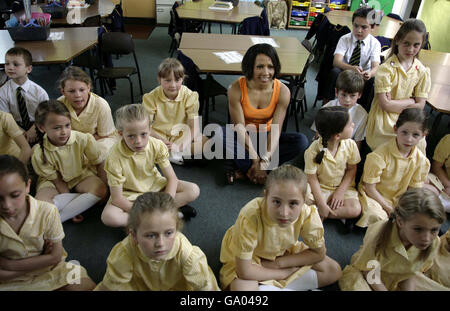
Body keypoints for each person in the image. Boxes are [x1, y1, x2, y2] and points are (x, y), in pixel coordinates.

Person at [219, 165, 342, 291]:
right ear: (266, 196)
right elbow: (244, 271)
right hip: (251, 258)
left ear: (304, 200)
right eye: (277, 202)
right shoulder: (250, 216)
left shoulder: (307, 214)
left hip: (281, 254)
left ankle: (268, 286)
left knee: (333, 270)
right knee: (242, 290)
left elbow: (319, 253)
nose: (284, 213)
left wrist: (278, 264)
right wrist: (284, 273)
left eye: (293, 203)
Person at [0, 154, 96, 290]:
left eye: (15, 195)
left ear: (27, 185)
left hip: (50, 270)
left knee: (84, 285)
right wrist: (41, 261)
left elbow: (55, 257)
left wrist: (8, 265)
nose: (7, 205)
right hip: (11, 280)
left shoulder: (48, 211)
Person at [95, 192, 219, 291]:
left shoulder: (186, 253)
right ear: (134, 236)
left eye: (168, 233)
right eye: (150, 235)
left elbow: (205, 288)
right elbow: (108, 287)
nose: (160, 243)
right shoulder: (125, 253)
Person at [101, 104, 199, 228]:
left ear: (150, 129)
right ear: (120, 134)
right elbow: (117, 198)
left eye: (143, 134)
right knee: (109, 217)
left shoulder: (157, 145)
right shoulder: (114, 157)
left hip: (155, 187)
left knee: (193, 190)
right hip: (129, 194)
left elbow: (172, 178)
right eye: (131, 136)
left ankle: (145, 220)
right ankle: (169, 214)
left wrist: (166, 201)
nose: (138, 141)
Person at [224, 43, 309, 185]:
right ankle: (261, 172)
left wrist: (265, 159)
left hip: (267, 137)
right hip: (244, 136)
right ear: (250, 67)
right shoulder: (235, 88)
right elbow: (239, 128)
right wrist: (256, 159)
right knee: (221, 134)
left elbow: (276, 130)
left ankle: (245, 171)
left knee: (301, 141)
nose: (266, 72)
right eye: (259, 67)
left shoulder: (283, 91)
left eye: (270, 67)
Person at [339, 188, 446, 291]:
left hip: (397, 280)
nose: (426, 238)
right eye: (418, 229)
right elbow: (368, 272)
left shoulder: (434, 242)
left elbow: (410, 275)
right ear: (400, 221)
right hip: (368, 277)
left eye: (434, 230)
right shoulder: (378, 233)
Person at [32, 100, 108, 223]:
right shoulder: (39, 152)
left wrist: (104, 189)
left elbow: (99, 162)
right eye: (57, 128)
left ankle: (57, 217)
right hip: (53, 182)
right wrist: (73, 210)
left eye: (67, 125)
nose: (64, 132)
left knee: (100, 190)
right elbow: (57, 180)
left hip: (80, 174)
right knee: (41, 204)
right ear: (42, 128)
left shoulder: (83, 138)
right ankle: (72, 210)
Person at [357, 108, 430, 228]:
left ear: (423, 135)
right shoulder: (379, 156)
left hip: (400, 200)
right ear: (396, 129)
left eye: (415, 134)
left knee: (423, 216)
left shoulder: (422, 161)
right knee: (376, 216)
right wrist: (388, 208)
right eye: (404, 132)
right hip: (375, 197)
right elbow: (370, 188)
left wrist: (402, 207)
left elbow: (413, 191)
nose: (409, 139)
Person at [365, 19, 430, 152]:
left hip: (408, 118)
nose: (411, 49)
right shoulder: (386, 69)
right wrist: (412, 101)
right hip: (384, 118)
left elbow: (420, 106)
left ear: (421, 44)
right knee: (392, 142)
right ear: (398, 40)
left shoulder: (422, 71)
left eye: (416, 45)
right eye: (406, 43)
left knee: (420, 143)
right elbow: (385, 105)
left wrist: (394, 102)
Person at [57, 66, 118, 184]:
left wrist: (83, 142)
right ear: (63, 92)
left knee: (101, 151)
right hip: (72, 142)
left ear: (89, 87)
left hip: (99, 141)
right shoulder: (59, 105)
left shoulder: (101, 105)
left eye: (82, 90)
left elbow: (105, 135)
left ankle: (100, 182)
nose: (78, 95)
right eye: (71, 91)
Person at [142, 58, 207, 165]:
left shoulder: (190, 96)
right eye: (167, 80)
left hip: (181, 137)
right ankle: (174, 155)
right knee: (136, 139)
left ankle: (167, 155)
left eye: (177, 80)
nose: (172, 85)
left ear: (183, 79)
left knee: (206, 142)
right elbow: (145, 127)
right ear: (159, 79)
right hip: (159, 137)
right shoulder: (150, 97)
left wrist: (180, 145)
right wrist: (163, 141)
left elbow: (194, 127)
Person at [305, 106, 361, 229]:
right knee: (303, 196)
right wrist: (320, 202)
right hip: (320, 188)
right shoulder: (313, 150)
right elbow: (312, 178)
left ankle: (319, 214)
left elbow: (352, 169)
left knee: (356, 209)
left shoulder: (350, 145)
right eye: (350, 124)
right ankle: (331, 213)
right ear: (337, 135)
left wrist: (340, 192)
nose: (353, 125)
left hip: (342, 188)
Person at [325, 6, 381, 110]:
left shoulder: (375, 44)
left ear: (372, 27)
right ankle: (326, 107)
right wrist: (351, 68)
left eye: (364, 27)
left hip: (363, 76)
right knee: (334, 72)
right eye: (355, 26)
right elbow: (336, 61)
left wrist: (370, 73)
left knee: (373, 81)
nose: (358, 30)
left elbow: (376, 67)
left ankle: (362, 111)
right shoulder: (345, 39)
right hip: (345, 72)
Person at [0, 47, 49, 144]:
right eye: (7, 63)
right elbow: (5, 117)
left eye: (16, 64)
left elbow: (45, 114)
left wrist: (33, 130)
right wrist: (20, 133)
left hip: (37, 125)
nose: (10, 67)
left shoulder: (39, 92)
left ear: (29, 69)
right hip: (14, 126)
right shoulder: (2, 92)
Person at [311, 70, 368, 150]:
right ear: (336, 92)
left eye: (352, 96)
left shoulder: (362, 114)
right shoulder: (327, 108)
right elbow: (318, 135)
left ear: (359, 95)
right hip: (325, 146)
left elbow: (358, 141)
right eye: (344, 95)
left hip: (345, 150)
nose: (347, 100)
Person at [424, 134, 450, 212]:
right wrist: (448, 185)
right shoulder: (448, 140)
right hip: (443, 182)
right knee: (422, 181)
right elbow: (436, 167)